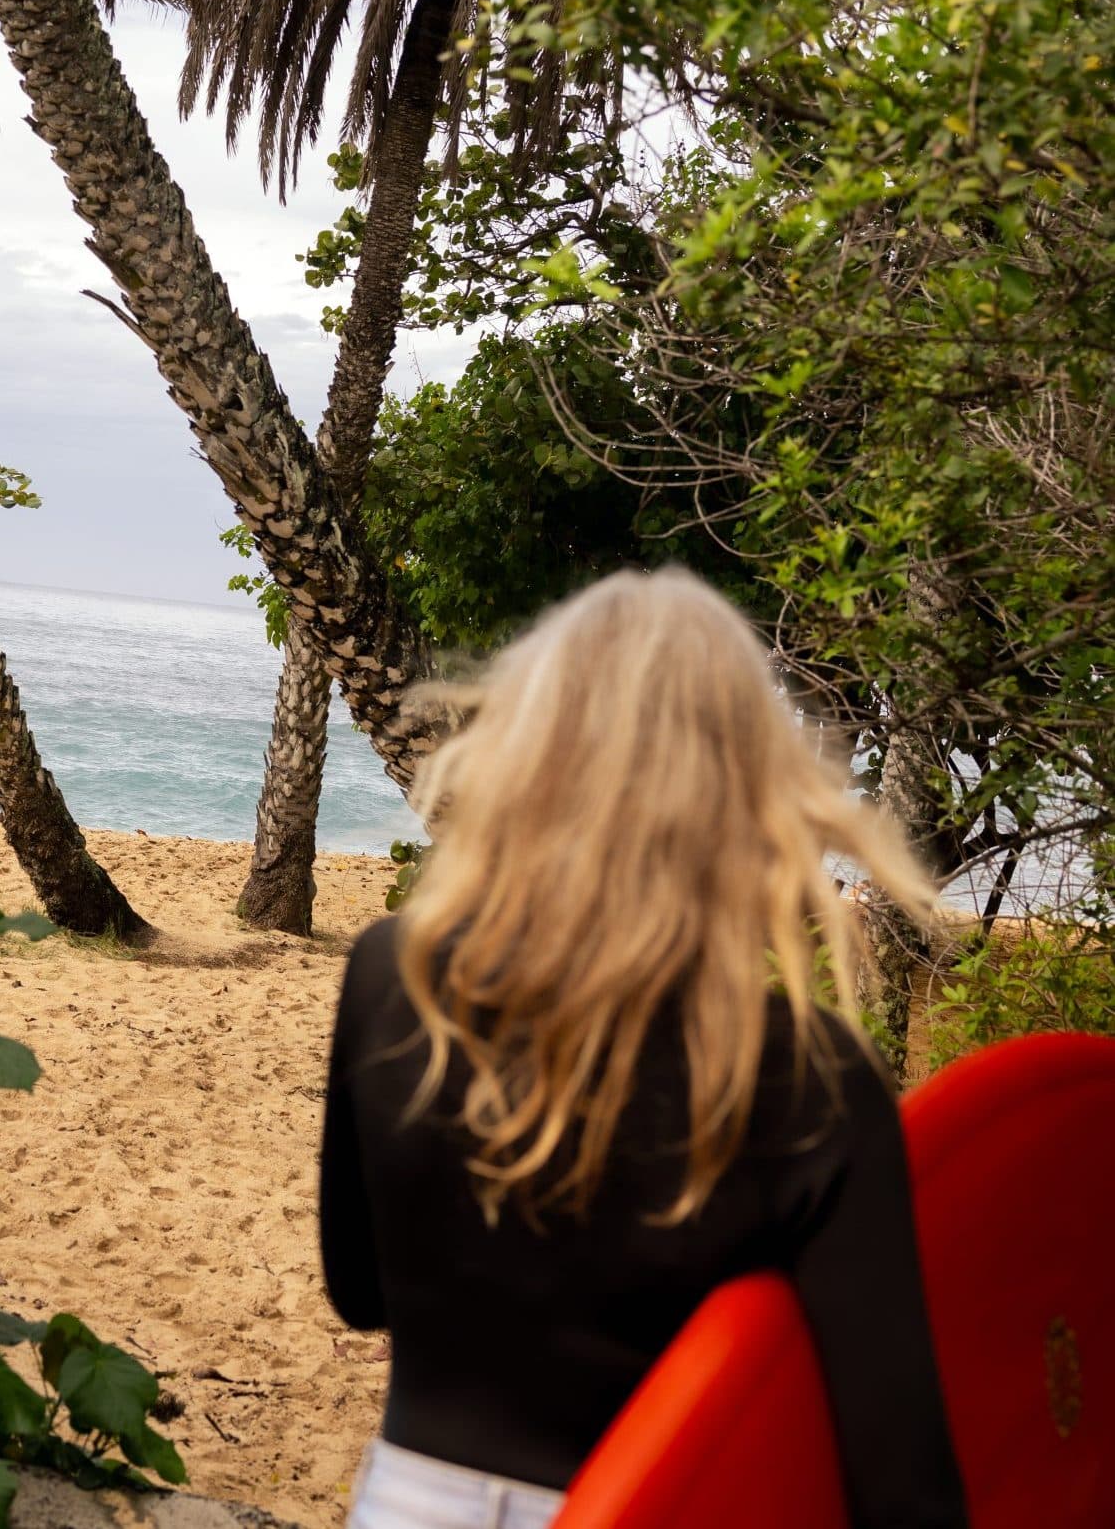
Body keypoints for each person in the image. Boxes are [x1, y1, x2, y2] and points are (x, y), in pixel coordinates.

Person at [321, 569, 969, 1529]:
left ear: (529, 756)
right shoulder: (810, 1078)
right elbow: (903, 1494)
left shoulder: (396, 977)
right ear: (746, 792)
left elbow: (361, 1289)